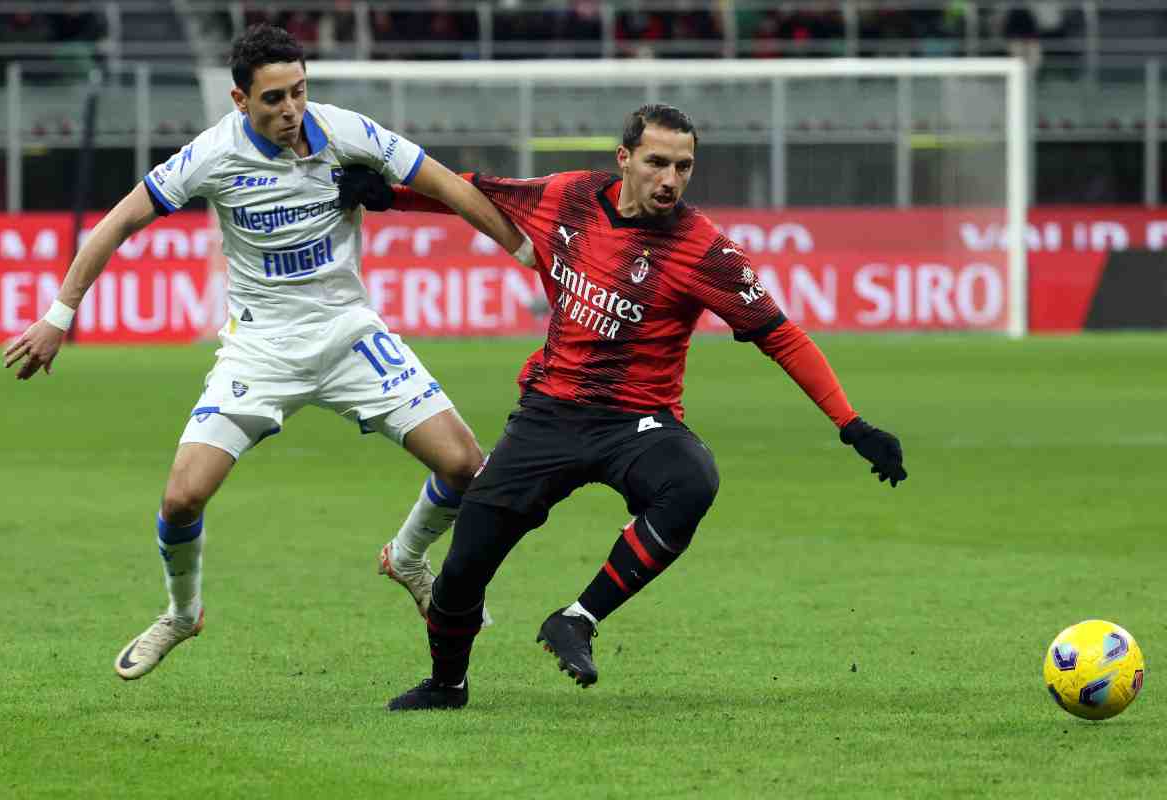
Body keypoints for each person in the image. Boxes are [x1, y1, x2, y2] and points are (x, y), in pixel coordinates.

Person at [2, 24, 530, 681]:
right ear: (238, 100)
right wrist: (59, 315)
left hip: (348, 335)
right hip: (260, 350)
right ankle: (182, 612)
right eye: (274, 98)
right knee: (181, 500)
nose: (290, 110)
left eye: (299, 92)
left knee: (464, 466)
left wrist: (527, 255)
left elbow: (450, 186)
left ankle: (408, 557)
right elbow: (119, 221)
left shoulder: (344, 131)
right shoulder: (212, 155)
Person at [337, 104, 908, 711]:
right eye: (657, 163)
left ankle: (577, 620)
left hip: (638, 423)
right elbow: (476, 196)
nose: (670, 179)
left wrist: (851, 424)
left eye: (683, 167)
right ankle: (447, 685)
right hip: (550, 413)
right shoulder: (570, 198)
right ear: (625, 160)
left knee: (692, 480)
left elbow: (780, 334)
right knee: (463, 570)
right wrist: (394, 198)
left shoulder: (704, 250)